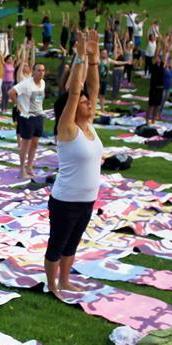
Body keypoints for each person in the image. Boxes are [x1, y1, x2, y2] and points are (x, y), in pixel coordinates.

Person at [45, 30, 102, 296]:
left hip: (87, 199)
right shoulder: (67, 129)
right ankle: (52, 284)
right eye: (84, 102)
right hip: (65, 199)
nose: (89, 103)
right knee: (57, 244)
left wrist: (94, 58)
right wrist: (79, 58)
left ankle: (66, 279)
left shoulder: (89, 125)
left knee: (72, 244)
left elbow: (93, 88)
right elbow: (76, 91)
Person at [9, 61, 47, 178]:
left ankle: (30, 167)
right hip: (27, 117)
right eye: (38, 70)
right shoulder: (26, 83)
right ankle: (22, 170)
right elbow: (11, 92)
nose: (41, 73)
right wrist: (18, 105)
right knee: (25, 145)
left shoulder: (43, 83)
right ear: (33, 72)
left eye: (43, 70)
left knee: (35, 144)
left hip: (38, 116)